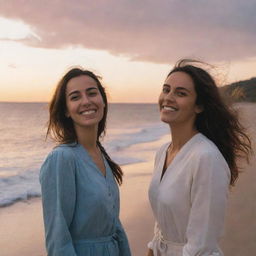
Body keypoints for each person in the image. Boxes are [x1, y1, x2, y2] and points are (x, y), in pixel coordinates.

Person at [147, 59, 251, 256]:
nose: (168, 97)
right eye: (166, 89)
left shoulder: (206, 158)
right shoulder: (163, 152)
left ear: (199, 106)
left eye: (181, 93)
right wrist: (152, 249)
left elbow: (201, 245)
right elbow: (163, 219)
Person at [40, 68, 131, 256]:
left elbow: (115, 226)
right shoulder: (62, 159)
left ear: (103, 101)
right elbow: (58, 239)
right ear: (66, 110)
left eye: (92, 93)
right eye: (75, 97)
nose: (86, 101)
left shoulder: (100, 154)